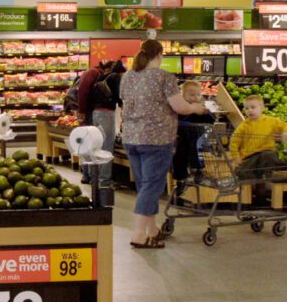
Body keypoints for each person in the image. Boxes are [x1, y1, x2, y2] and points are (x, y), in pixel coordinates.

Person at [120, 39, 208, 249]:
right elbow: (180, 107)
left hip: (131, 137)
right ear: (159, 55)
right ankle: (139, 234)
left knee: (144, 185)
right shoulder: (164, 77)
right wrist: (196, 108)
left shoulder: (128, 76)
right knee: (151, 186)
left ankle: (153, 230)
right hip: (156, 139)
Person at [229, 95, 287, 200]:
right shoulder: (244, 125)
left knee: (269, 156)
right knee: (244, 172)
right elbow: (234, 141)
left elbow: (286, 125)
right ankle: (252, 195)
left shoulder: (271, 121)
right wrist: (235, 156)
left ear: (262, 108)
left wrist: (286, 132)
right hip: (250, 157)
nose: (249, 111)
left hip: (266, 155)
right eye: (247, 108)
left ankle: (261, 189)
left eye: (253, 107)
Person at [171, 81, 216, 196]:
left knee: (195, 149)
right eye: (192, 95)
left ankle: (198, 171)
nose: (195, 98)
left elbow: (211, 120)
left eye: (198, 95)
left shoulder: (201, 108)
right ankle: (181, 179)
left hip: (198, 139)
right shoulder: (180, 109)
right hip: (182, 140)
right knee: (179, 157)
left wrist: (206, 113)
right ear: (183, 96)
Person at [87, 60, 126, 188]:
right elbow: (119, 96)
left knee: (97, 146)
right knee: (107, 147)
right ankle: (105, 181)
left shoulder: (102, 76)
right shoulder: (116, 77)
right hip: (106, 114)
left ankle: (94, 178)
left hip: (95, 113)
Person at [76, 61, 107, 184]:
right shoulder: (92, 73)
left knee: (92, 142)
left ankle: (91, 173)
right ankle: (87, 173)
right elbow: (82, 91)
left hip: (91, 111)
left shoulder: (95, 73)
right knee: (88, 142)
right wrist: (81, 111)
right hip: (88, 112)